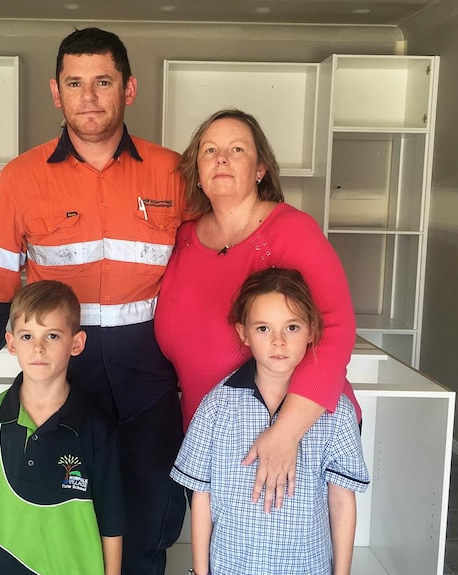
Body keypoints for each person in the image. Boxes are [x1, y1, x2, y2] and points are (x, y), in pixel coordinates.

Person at [0, 28, 187, 574]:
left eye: (103, 81)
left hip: (148, 376)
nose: (89, 96)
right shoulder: (21, 177)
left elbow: (205, 269)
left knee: (151, 504)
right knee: (64, 512)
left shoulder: (174, 172)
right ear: (55, 92)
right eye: (75, 83)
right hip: (62, 373)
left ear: (129, 89)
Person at [154, 108, 361, 512]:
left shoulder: (289, 230)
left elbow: (335, 327)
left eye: (237, 149)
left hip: (291, 427)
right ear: (197, 172)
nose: (222, 158)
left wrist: (286, 433)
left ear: (261, 168)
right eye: (209, 150)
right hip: (213, 432)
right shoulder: (182, 238)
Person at [171, 268, 369, 575]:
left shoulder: (335, 412)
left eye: (291, 327)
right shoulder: (216, 407)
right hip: (231, 566)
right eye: (263, 329)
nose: (278, 342)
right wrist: (200, 572)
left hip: (307, 567)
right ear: (243, 334)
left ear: (312, 331)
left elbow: (342, 502)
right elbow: (201, 497)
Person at [0, 280, 124, 575]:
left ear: (76, 343)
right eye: (28, 336)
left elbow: (112, 524)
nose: (39, 348)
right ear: (12, 343)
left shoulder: (96, 427)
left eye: (52, 335)